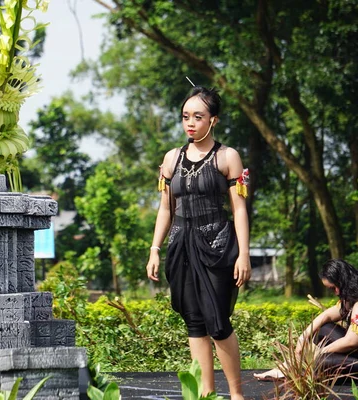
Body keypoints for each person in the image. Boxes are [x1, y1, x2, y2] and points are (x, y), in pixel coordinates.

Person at [146, 86, 251, 400]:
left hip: (218, 246)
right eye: (185, 117)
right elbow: (166, 207)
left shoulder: (227, 156)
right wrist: (154, 249)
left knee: (217, 322)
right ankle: (205, 393)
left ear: (213, 120)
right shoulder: (171, 159)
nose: (190, 123)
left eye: (198, 116)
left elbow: (240, 208)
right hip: (181, 246)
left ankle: (236, 394)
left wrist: (244, 254)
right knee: (194, 321)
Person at [254, 259, 358, 382]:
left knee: (320, 362)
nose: (336, 293)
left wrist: (319, 353)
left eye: (335, 287)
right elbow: (327, 316)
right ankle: (289, 368)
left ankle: (297, 372)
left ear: (344, 281)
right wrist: (303, 337)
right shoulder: (350, 299)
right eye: (331, 289)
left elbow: (351, 341)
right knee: (324, 328)